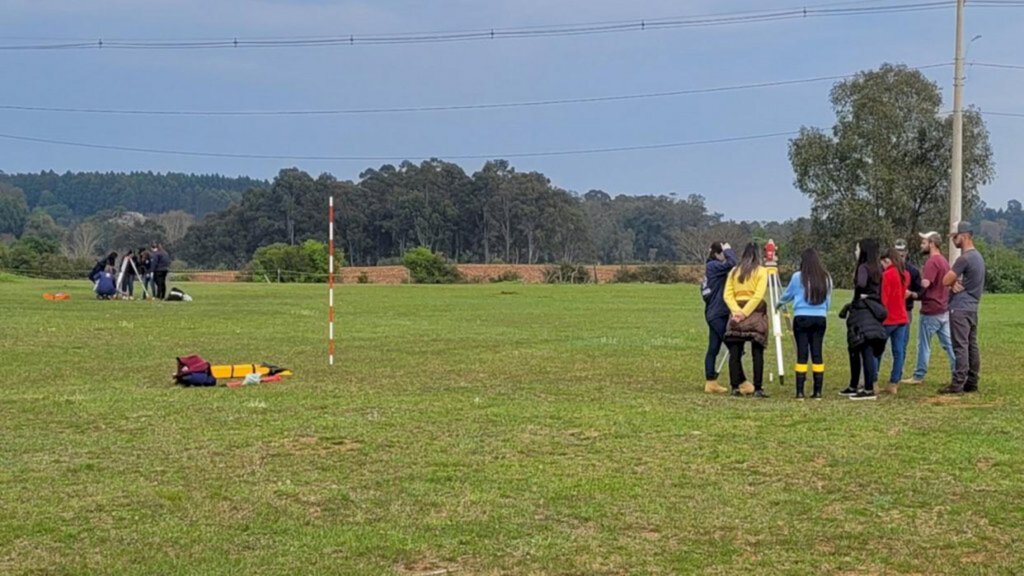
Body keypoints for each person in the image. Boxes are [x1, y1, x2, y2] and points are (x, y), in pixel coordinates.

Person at [902, 232, 956, 385]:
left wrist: (912, 294)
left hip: (931, 310)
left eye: (924, 242)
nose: (921, 245)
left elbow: (925, 286)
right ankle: (958, 371)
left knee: (924, 345)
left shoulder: (931, 263)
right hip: (943, 309)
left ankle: (918, 375)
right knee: (949, 344)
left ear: (932, 243)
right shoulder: (944, 261)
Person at [778, 248, 832, 399]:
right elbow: (828, 299)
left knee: (802, 354)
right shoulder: (826, 277)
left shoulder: (797, 277)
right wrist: (822, 311)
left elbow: (788, 294)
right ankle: (818, 391)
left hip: (801, 317)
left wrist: (778, 304)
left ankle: (800, 391)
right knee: (817, 353)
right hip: (820, 318)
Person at [939, 221, 986, 395]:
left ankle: (957, 383)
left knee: (960, 346)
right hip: (972, 308)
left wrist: (952, 283)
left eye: (955, 237)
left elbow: (945, 280)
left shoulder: (964, 259)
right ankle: (972, 382)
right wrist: (955, 283)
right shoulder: (978, 257)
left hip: (959, 308)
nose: (953, 240)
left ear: (964, 236)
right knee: (972, 345)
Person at [839, 239, 888, 401]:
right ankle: (860, 385)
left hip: (862, 313)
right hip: (873, 312)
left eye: (857, 249)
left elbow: (860, 284)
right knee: (867, 351)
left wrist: (861, 293)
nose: (855, 252)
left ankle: (866, 389)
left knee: (860, 349)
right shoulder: (879, 269)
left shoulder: (863, 268)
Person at [723, 243, 770, 398]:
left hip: (736, 313)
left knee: (734, 352)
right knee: (757, 352)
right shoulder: (762, 272)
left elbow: (727, 295)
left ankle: (735, 386)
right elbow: (758, 295)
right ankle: (758, 387)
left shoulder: (734, 272)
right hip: (755, 313)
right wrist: (745, 312)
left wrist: (736, 312)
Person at [702, 241, 738, 394]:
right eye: (722, 254)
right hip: (717, 314)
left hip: (712, 312)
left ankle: (711, 381)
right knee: (734, 347)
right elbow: (732, 263)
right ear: (718, 253)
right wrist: (728, 250)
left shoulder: (710, 268)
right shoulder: (713, 266)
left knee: (714, 348)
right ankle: (740, 381)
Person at [878, 247, 911, 395]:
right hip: (902, 317)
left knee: (877, 350)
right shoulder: (905, 274)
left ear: (887, 260)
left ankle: (873, 380)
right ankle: (894, 382)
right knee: (898, 351)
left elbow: (884, 298)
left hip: (888, 319)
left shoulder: (887, 275)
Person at [895, 239, 922, 353]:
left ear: (906, 252)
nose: (900, 254)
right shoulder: (885, 269)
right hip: (887, 310)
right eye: (897, 251)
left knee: (902, 346)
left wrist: (911, 294)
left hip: (905, 310)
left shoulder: (913, 271)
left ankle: (898, 370)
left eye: (902, 251)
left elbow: (921, 292)